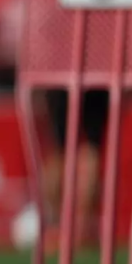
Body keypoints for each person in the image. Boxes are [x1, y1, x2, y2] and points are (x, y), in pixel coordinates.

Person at [41, 88, 109, 248]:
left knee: (59, 151)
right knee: (91, 150)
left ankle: (58, 229)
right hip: (97, 76)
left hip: (61, 80)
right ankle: (82, 231)